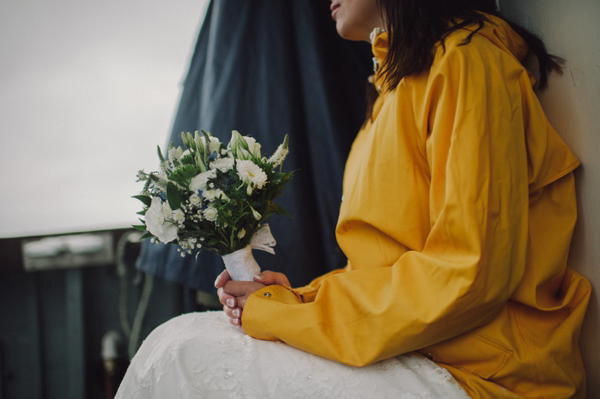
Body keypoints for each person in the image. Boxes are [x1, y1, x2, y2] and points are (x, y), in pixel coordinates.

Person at [117, 0, 592, 398]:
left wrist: (286, 314)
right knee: (180, 341)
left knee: (179, 354)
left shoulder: (468, 63)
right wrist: (297, 299)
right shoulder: (391, 90)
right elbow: (380, 272)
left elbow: (470, 273)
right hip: (425, 345)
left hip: (485, 371)